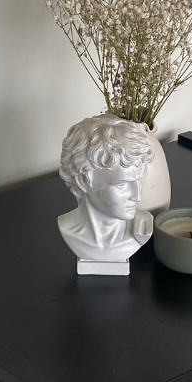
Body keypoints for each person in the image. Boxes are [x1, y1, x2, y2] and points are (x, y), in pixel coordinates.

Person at [58, 115, 156, 275]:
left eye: (139, 181)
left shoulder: (141, 230)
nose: (137, 196)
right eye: (122, 184)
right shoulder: (68, 229)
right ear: (84, 181)